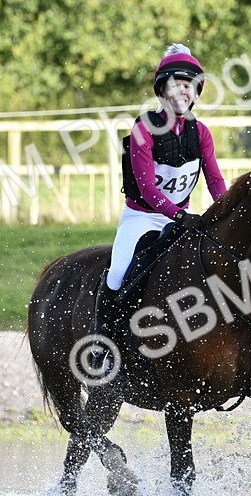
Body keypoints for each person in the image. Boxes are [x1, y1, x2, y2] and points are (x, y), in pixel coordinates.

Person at [90, 44, 228, 365]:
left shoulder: (201, 132)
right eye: (176, 83)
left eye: (188, 85)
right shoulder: (144, 130)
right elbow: (148, 189)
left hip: (182, 217)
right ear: (162, 89)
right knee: (118, 272)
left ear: (196, 93)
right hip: (142, 218)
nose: (182, 90)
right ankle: (102, 341)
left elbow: (214, 180)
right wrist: (179, 215)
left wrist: (225, 209)